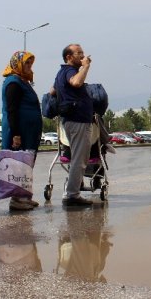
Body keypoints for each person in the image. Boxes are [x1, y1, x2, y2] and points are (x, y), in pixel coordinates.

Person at [1, 51, 43, 211]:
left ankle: (25, 196)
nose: (29, 67)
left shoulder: (22, 81)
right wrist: (16, 134)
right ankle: (17, 200)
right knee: (18, 165)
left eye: (30, 64)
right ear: (17, 64)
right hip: (20, 132)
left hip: (29, 132)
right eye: (26, 63)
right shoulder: (13, 82)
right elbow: (12, 110)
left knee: (26, 164)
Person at [54, 44, 95, 207]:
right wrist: (85, 67)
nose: (82, 55)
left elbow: (52, 91)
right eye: (79, 53)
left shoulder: (61, 72)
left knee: (78, 157)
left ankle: (73, 191)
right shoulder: (70, 71)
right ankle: (72, 195)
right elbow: (76, 83)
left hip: (72, 119)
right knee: (80, 158)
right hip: (77, 120)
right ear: (69, 57)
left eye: (83, 53)